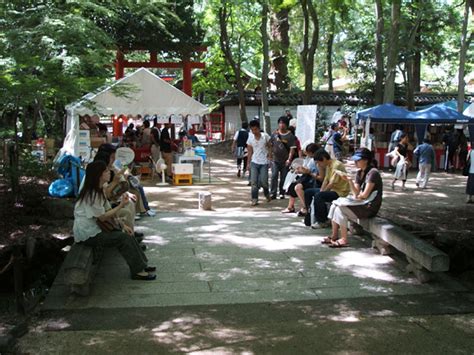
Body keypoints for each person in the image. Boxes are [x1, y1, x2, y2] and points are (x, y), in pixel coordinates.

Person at [73, 161, 156, 281]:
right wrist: (121, 205)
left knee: (127, 233)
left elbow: (108, 209)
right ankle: (137, 271)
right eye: (106, 171)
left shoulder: (99, 189)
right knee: (123, 238)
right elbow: (102, 217)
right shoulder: (92, 194)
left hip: (97, 228)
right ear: (99, 175)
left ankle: (142, 265)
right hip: (88, 234)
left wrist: (123, 225)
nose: (109, 173)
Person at [325, 148, 383, 248]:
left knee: (340, 209)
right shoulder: (359, 173)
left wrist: (358, 196)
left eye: (358, 160)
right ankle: (334, 236)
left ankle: (344, 239)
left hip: (369, 206)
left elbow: (364, 195)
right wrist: (349, 181)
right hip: (361, 203)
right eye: (355, 160)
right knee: (334, 205)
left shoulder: (373, 173)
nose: (355, 162)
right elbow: (356, 194)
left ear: (366, 160)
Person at [310, 149, 350, 229]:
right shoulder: (328, 165)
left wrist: (322, 192)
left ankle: (322, 221)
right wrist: (321, 190)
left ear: (324, 159)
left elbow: (331, 183)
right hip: (333, 190)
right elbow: (326, 180)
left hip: (340, 192)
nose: (319, 165)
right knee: (309, 192)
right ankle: (309, 215)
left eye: (319, 162)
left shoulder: (337, 165)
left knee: (319, 196)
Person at [282, 143, 320, 216]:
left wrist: (301, 170)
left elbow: (308, 171)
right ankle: (293, 207)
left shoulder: (314, 159)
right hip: (307, 177)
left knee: (296, 186)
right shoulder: (309, 158)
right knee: (293, 185)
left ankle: (305, 207)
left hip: (312, 179)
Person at [270, 116, 296, 199]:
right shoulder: (274, 134)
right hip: (275, 160)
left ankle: (282, 192)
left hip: (285, 161)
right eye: (280, 123)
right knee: (274, 175)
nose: (281, 125)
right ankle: (273, 192)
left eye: (283, 123)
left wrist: (289, 159)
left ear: (287, 125)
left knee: (283, 177)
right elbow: (270, 145)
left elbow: (292, 149)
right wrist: (270, 155)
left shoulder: (290, 136)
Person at [246, 120, 272, 206]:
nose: (254, 132)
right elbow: (249, 152)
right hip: (254, 162)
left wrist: (270, 156)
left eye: (256, 129)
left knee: (264, 181)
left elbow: (270, 146)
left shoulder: (265, 136)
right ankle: (254, 198)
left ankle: (266, 193)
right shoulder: (250, 138)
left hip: (264, 162)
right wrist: (248, 164)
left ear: (259, 128)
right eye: (252, 130)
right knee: (254, 182)